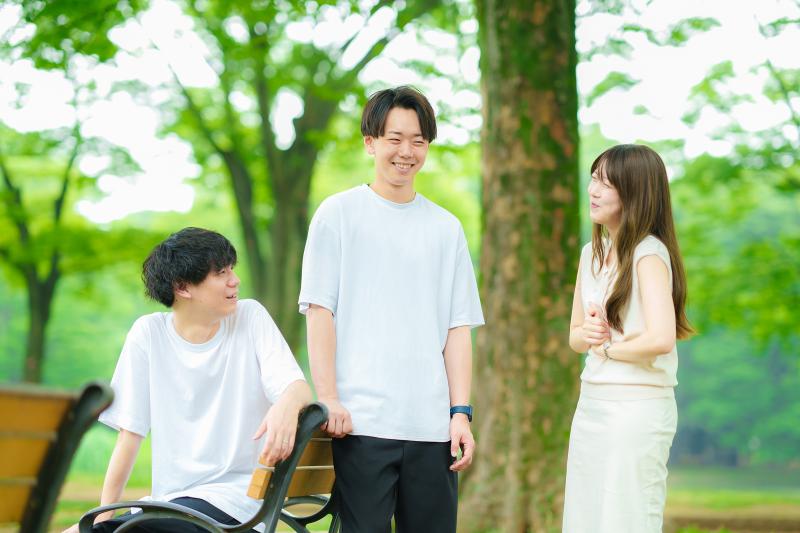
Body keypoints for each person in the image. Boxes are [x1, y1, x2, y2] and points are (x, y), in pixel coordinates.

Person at [298, 86, 484, 533]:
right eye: (394, 139)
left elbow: (458, 329)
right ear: (371, 142)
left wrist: (460, 413)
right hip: (361, 424)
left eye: (418, 141)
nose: (406, 152)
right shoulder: (338, 215)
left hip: (432, 428)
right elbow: (320, 312)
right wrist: (330, 398)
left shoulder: (446, 228)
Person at [64, 227, 311, 533]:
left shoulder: (250, 317)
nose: (234, 280)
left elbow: (297, 388)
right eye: (221, 273)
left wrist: (287, 403)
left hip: (235, 506)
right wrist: (102, 518)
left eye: (231, 269)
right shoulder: (149, 334)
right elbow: (130, 435)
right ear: (182, 287)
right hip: (171, 506)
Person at [563, 144, 694, 532]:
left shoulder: (648, 254)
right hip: (592, 403)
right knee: (585, 517)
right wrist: (588, 334)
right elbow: (574, 337)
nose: (593, 190)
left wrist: (607, 348)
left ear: (635, 192)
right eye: (593, 179)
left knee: (626, 518)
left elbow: (661, 338)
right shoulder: (591, 253)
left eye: (606, 183)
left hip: (636, 408)